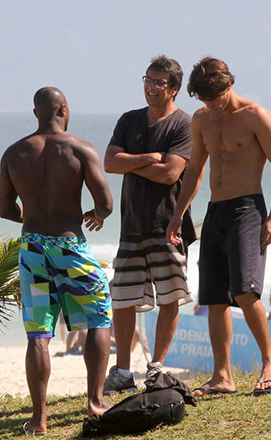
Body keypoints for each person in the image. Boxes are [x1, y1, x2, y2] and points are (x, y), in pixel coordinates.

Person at [166, 57, 271, 396]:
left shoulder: (255, 116)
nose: (210, 105)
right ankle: (223, 376)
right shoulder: (203, 119)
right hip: (215, 212)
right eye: (204, 99)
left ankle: (270, 363)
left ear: (228, 85)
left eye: (214, 98)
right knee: (214, 296)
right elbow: (194, 171)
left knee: (245, 290)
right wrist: (179, 214)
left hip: (248, 209)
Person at [0, 86, 114, 436]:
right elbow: (106, 202)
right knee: (98, 317)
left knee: (38, 332)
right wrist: (94, 215)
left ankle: (38, 419)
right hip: (70, 243)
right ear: (64, 109)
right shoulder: (80, 148)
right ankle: (95, 401)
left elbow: (4, 209)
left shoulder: (14, 152)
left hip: (32, 247)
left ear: (36, 113)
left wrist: (32, 217)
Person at [103, 55, 196, 394]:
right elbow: (110, 163)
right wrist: (147, 159)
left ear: (173, 89)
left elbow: (171, 173)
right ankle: (123, 371)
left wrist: (130, 163)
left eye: (159, 82)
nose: (151, 87)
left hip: (168, 224)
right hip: (131, 225)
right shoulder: (129, 120)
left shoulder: (183, 125)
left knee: (169, 297)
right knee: (123, 298)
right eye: (148, 79)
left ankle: (157, 366)